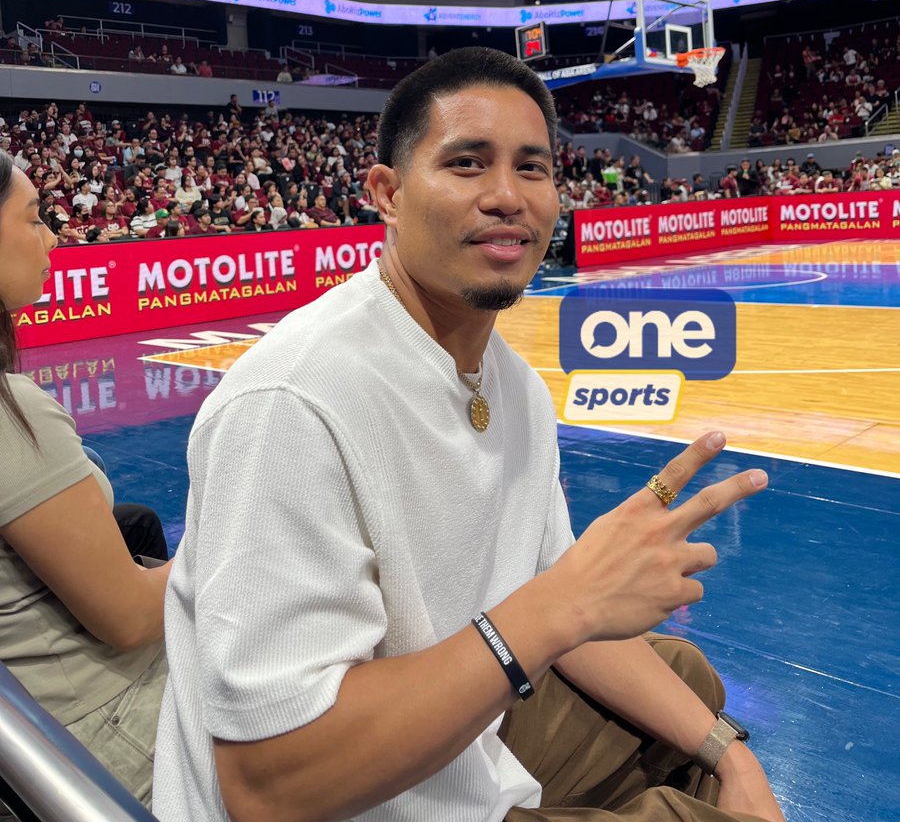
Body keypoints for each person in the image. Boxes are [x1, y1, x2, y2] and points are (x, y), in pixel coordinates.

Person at [154, 48, 782, 822]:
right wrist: (559, 607)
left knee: (685, 685)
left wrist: (731, 752)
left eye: (531, 168)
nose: (506, 196)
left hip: (446, 748)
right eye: (466, 163)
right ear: (387, 194)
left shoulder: (514, 386)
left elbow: (561, 607)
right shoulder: (292, 403)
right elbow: (269, 788)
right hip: (334, 798)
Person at [0, 150, 170, 806]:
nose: (51, 239)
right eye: (33, 219)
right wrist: (236, 546)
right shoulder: (13, 414)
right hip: (96, 730)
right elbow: (130, 618)